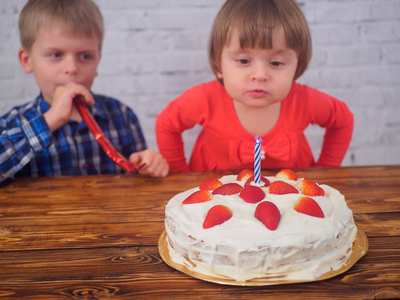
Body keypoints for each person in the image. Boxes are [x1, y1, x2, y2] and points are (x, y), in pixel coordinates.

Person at [156, 0, 354, 172]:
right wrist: (179, 174)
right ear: (218, 64)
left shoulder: (305, 101)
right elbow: (166, 124)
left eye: (276, 63)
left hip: (290, 202)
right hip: (215, 200)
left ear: (297, 66)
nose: (260, 75)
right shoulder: (204, 99)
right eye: (243, 61)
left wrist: (327, 170)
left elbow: (342, 119)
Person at [0, 0, 169, 185]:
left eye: (85, 56)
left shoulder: (122, 115)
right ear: (27, 61)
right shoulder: (12, 124)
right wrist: (49, 121)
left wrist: (150, 166)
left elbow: (140, 184)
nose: (71, 68)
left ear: (98, 61)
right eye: (56, 55)